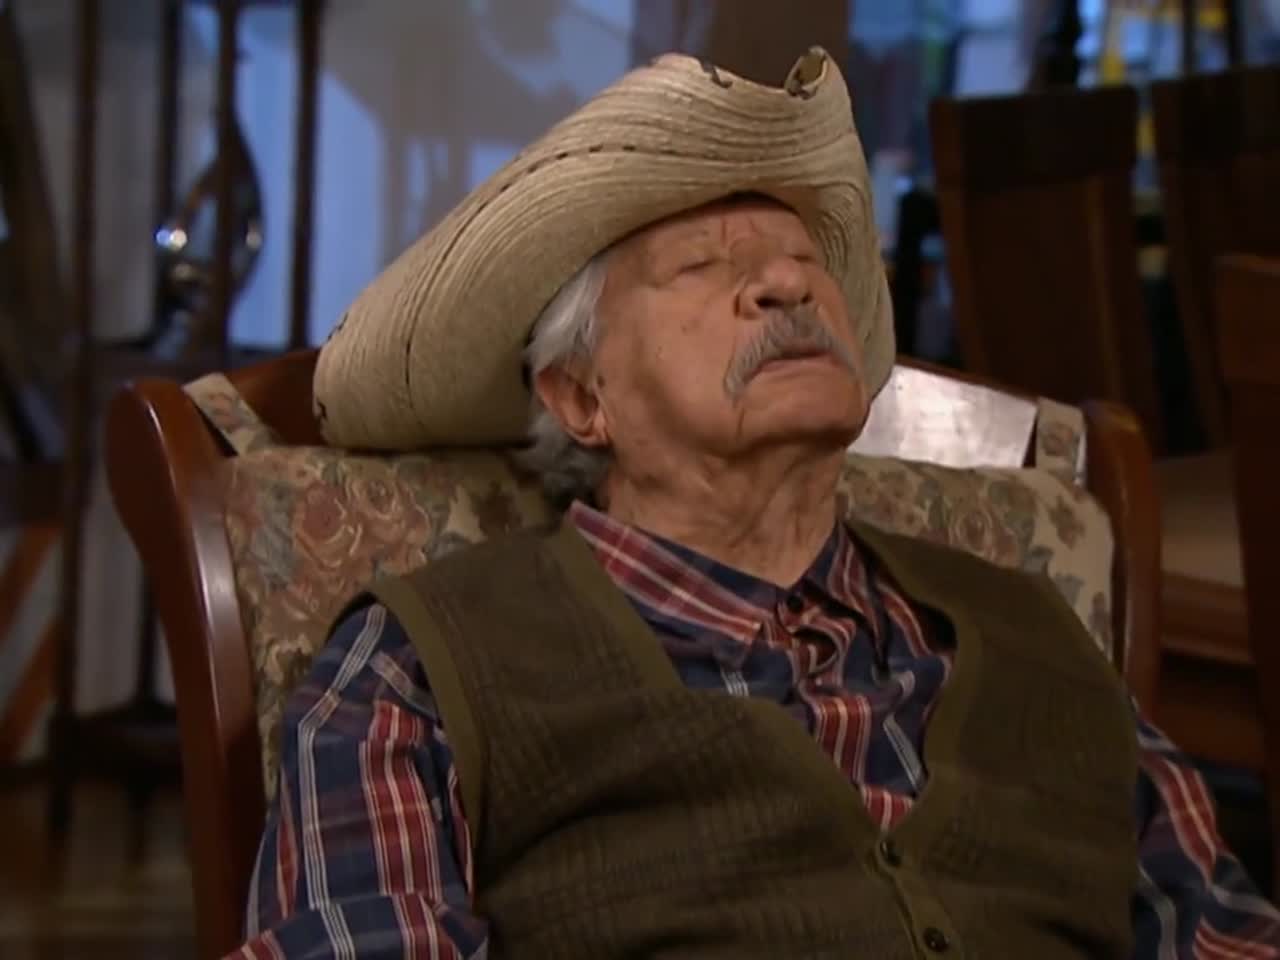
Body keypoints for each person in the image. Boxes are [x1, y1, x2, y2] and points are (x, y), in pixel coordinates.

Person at [232, 49, 1280, 958]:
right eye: (702, 267)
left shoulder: (1035, 633)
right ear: (582, 397)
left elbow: (1220, 928)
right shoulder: (418, 668)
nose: (788, 288)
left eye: (805, 263)